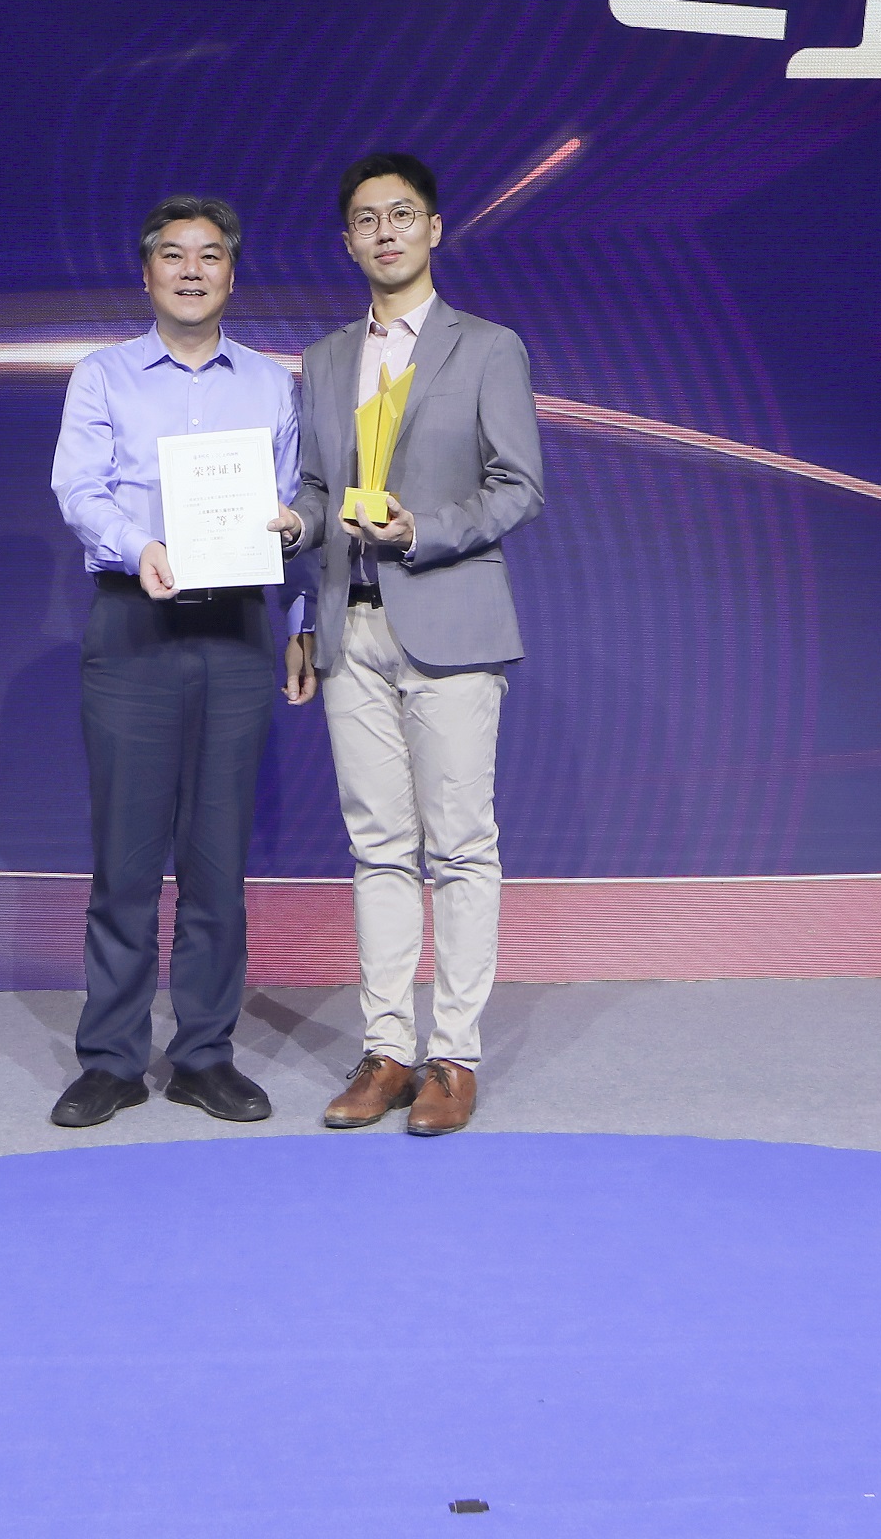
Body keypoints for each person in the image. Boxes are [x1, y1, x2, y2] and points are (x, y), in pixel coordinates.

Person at [286, 152, 544, 1135]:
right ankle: (387, 1048)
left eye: (401, 214)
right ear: (346, 242)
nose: (385, 231)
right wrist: (295, 543)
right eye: (366, 219)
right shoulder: (323, 359)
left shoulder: (488, 348)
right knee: (378, 847)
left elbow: (519, 485)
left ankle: (453, 1056)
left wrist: (419, 531)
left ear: (434, 229)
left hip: (451, 622)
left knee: (462, 846)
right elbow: (318, 493)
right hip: (349, 626)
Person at [45, 196, 310, 1129]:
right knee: (124, 860)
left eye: (209, 256)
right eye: (172, 255)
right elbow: (78, 489)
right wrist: (138, 545)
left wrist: (301, 616)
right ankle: (112, 1060)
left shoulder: (272, 385)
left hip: (236, 632)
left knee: (216, 860)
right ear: (147, 272)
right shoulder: (102, 376)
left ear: (233, 273)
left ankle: (204, 1055)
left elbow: (293, 507)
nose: (191, 271)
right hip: (134, 624)